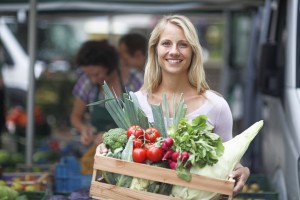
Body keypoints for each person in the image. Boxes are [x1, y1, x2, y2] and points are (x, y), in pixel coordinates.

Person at [97, 15, 249, 195]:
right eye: (166, 43)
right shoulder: (135, 103)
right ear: (155, 50)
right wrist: (107, 151)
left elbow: (226, 160)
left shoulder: (216, 106)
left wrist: (242, 170)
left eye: (183, 44)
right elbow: (126, 158)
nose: (174, 51)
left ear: (193, 51)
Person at [70, 40, 142, 146]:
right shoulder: (87, 82)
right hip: (97, 148)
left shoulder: (135, 80)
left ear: (110, 65)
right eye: (89, 75)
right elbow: (75, 117)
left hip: (130, 149)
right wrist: (84, 129)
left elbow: (147, 121)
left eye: (97, 74)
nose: (93, 80)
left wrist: (114, 136)